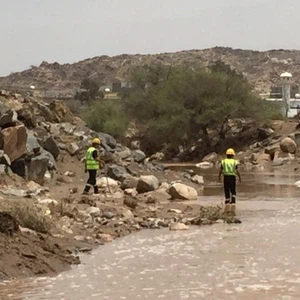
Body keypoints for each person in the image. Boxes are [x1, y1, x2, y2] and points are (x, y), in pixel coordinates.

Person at [218, 148, 241, 213]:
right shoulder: (234, 161)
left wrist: (219, 177)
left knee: (226, 189)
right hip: (232, 177)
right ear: (232, 155)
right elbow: (236, 170)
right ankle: (233, 202)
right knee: (233, 190)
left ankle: (227, 202)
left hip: (226, 177)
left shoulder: (224, 161)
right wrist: (239, 177)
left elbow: (221, 170)